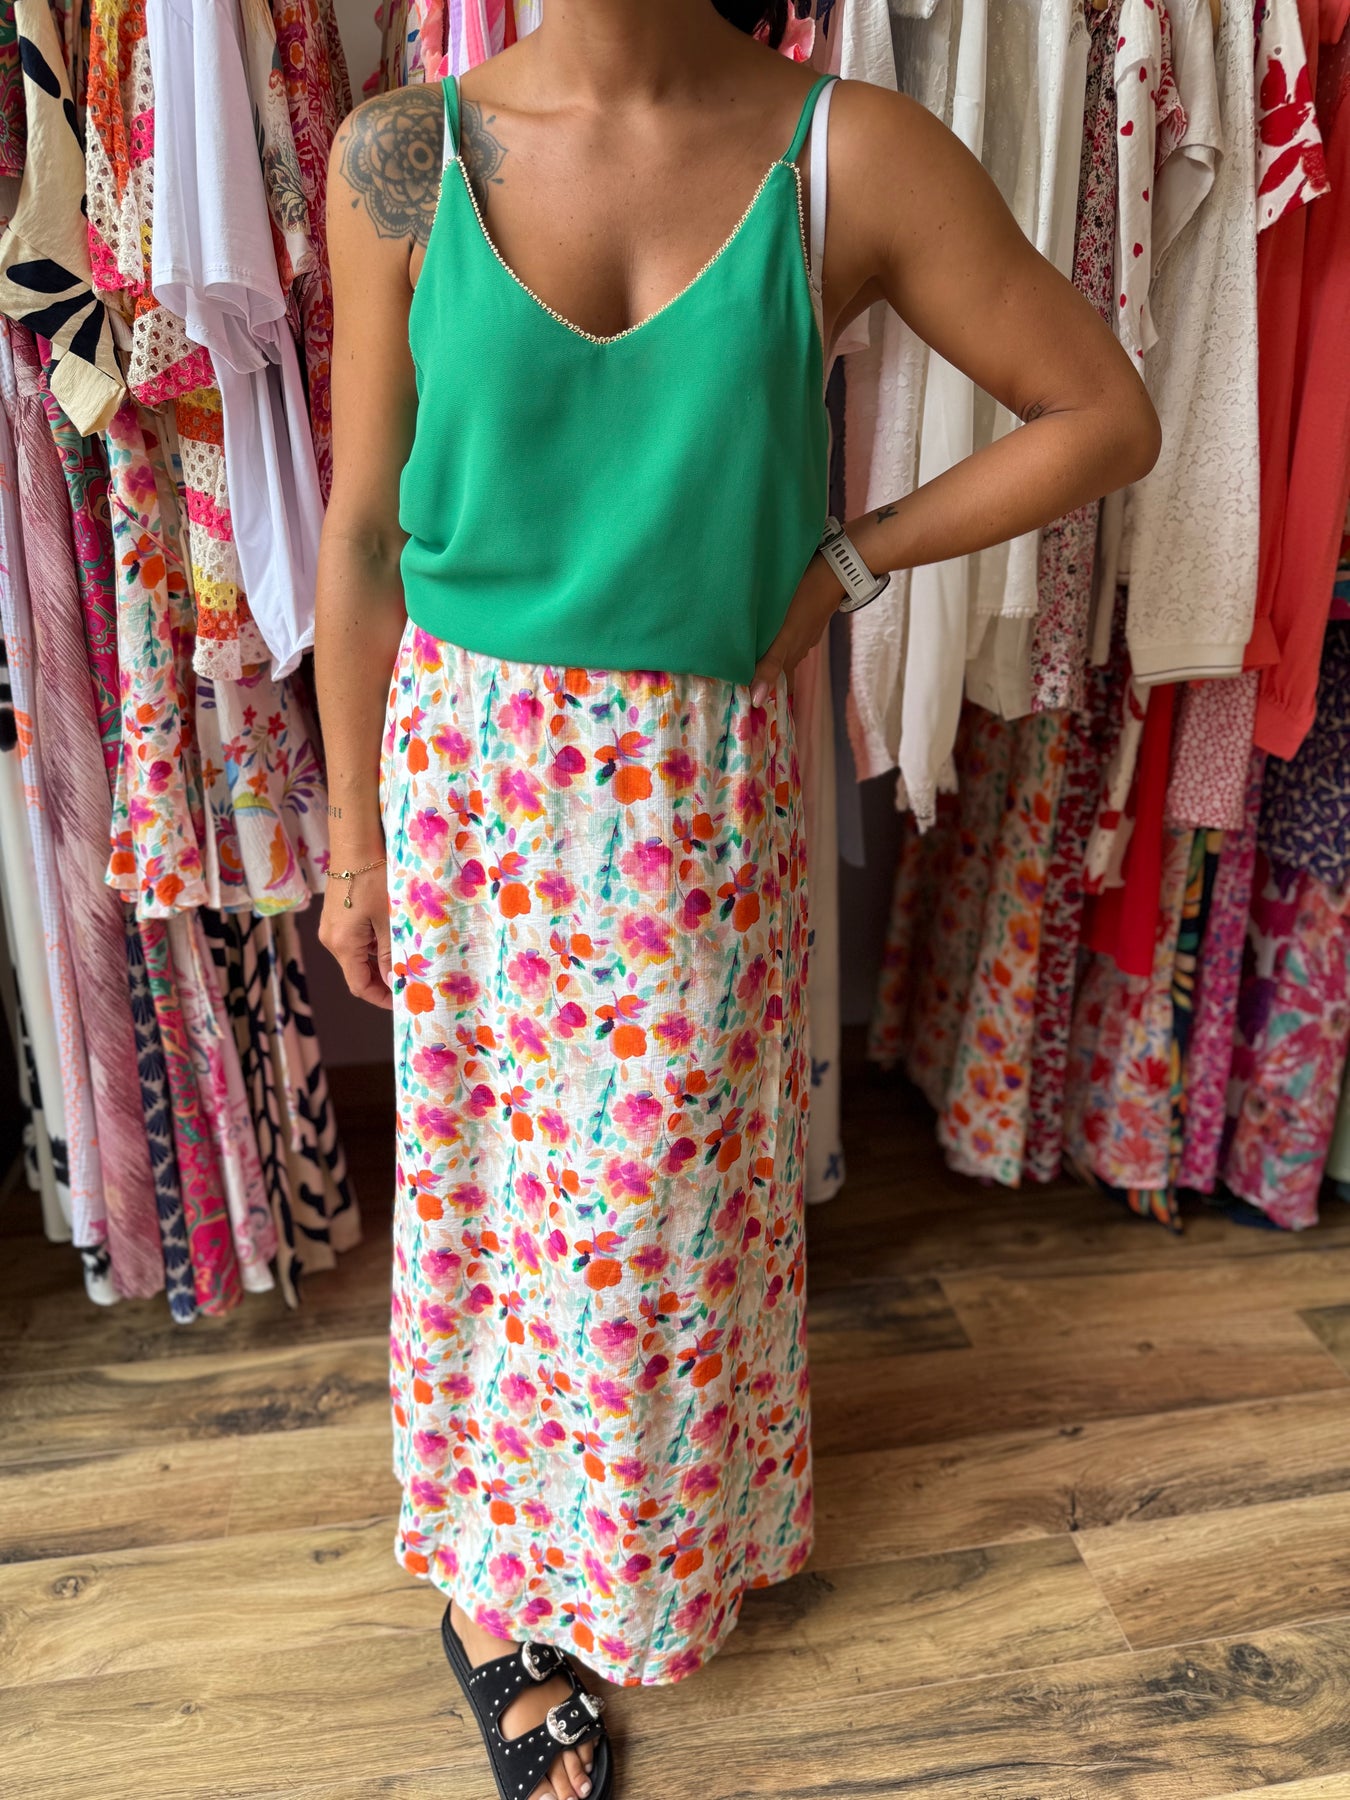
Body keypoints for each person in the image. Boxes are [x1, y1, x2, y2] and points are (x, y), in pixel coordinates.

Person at [314, 4, 1160, 1796]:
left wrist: (848, 560)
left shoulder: (848, 153)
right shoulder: (398, 155)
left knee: (660, 1208)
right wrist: (352, 844)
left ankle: (642, 1553)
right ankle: (491, 1593)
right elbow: (362, 528)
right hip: (462, 769)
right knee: (483, 1190)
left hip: (689, 781)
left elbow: (1103, 414)